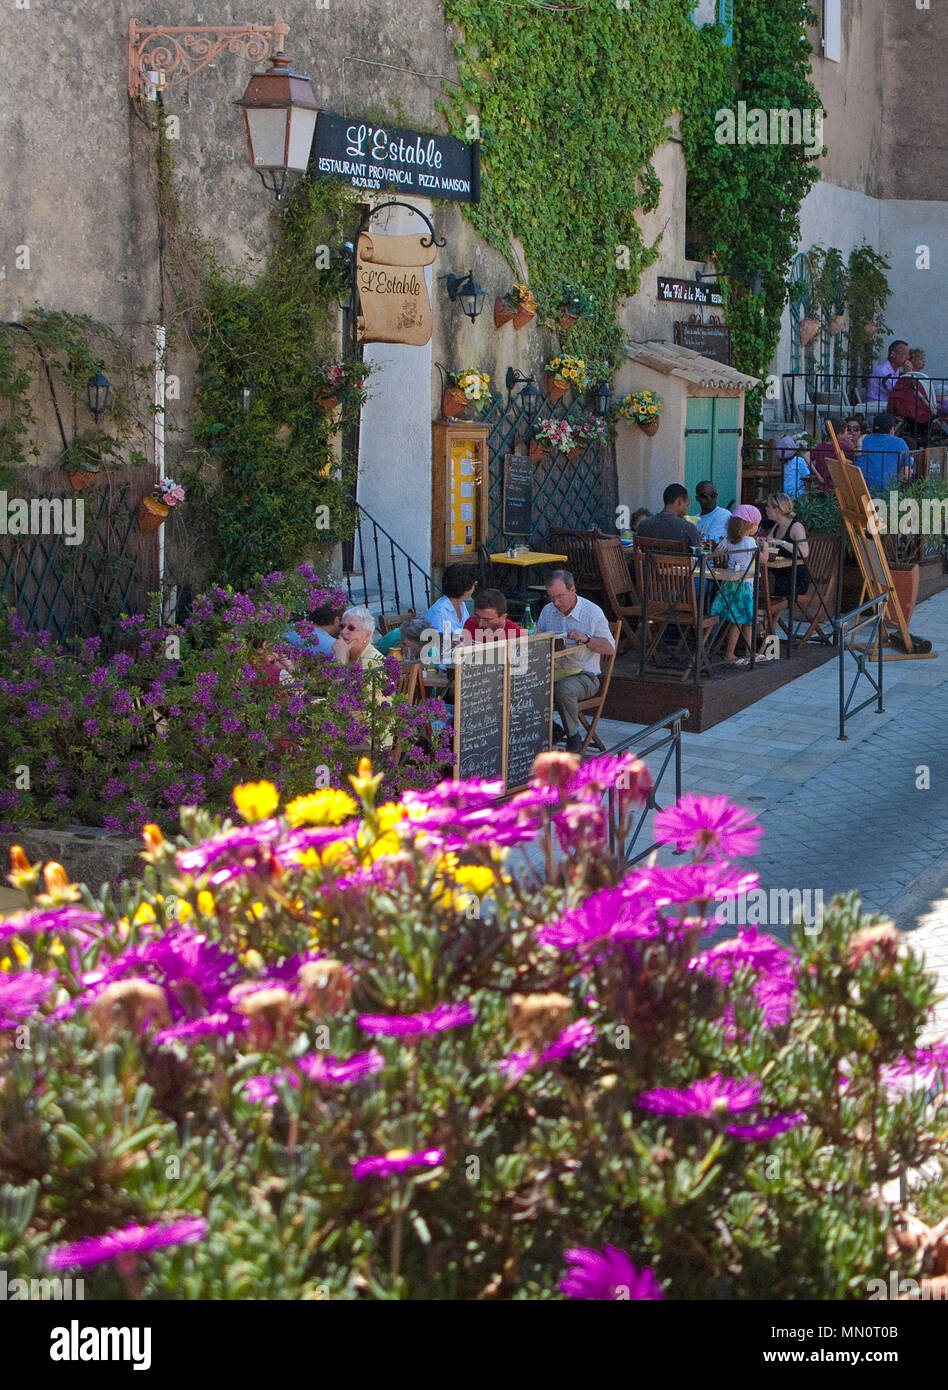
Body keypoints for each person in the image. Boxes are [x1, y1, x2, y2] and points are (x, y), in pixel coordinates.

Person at [536, 570, 615, 753]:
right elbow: (537, 640)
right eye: (552, 597)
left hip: (584, 675)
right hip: (554, 671)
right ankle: (549, 730)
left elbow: (610, 648)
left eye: (560, 596)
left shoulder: (592, 612)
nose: (556, 602)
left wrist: (586, 639)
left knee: (563, 689)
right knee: (522, 685)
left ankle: (573, 737)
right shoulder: (548, 611)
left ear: (573, 590)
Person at [711, 505, 770, 666]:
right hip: (744, 587)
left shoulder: (728, 540)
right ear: (750, 525)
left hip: (729, 585)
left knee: (741, 619)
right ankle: (735, 653)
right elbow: (763, 559)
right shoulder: (749, 541)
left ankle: (746, 651)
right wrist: (765, 547)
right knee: (744, 620)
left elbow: (716, 552)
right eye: (757, 524)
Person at [761, 493, 811, 600]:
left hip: (795, 577)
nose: (766, 509)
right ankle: (767, 614)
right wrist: (762, 541)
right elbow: (769, 544)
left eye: (768, 506)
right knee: (761, 582)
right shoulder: (776, 526)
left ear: (777, 510)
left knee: (766, 585)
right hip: (779, 573)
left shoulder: (796, 527)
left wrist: (781, 542)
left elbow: (804, 552)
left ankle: (766, 614)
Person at [424, 564, 477, 647]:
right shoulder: (439, 612)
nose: (474, 587)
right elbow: (435, 643)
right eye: (474, 583)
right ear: (466, 587)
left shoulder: (462, 605)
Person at [635, 484, 702, 548]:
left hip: (649, 560)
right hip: (678, 560)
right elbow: (698, 556)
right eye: (686, 505)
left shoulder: (643, 525)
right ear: (679, 501)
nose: (686, 510)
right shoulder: (688, 528)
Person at [856, 413, 911, 488]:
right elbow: (906, 474)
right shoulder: (900, 443)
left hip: (861, 488)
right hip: (887, 492)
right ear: (892, 430)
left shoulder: (865, 439)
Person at [809, 418, 856, 492]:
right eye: (846, 431)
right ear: (839, 434)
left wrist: (817, 475)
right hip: (839, 487)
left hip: (820, 485)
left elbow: (808, 458)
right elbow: (853, 463)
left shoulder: (819, 447)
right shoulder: (845, 447)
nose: (848, 433)